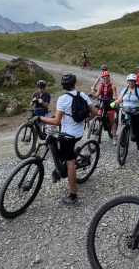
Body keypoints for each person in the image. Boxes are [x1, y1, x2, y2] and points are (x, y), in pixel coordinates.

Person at [38, 72, 96, 205]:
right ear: (74, 84)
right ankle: (60, 169)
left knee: (70, 161)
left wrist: (40, 118)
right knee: (60, 146)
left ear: (63, 85)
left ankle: (73, 195)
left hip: (68, 135)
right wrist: (85, 121)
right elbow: (95, 112)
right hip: (79, 133)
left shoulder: (62, 99)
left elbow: (57, 122)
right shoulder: (82, 95)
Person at [110, 73, 139, 158]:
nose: (131, 82)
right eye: (129, 81)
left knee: (137, 132)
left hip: (136, 112)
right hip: (125, 111)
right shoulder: (124, 90)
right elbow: (120, 99)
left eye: (133, 81)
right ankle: (123, 146)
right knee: (123, 130)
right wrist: (114, 103)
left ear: (135, 81)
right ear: (127, 81)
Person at [89, 70, 118, 143]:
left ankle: (114, 136)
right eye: (103, 78)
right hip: (102, 102)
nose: (105, 79)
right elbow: (97, 95)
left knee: (112, 121)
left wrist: (115, 99)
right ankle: (98, 129)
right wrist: (92, 94)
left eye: (106, 78)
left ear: (109, 78)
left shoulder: (113, 86)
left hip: (110, 103)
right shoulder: (100, 85)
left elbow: (114, 95)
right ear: (102, 78)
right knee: (98, 114)